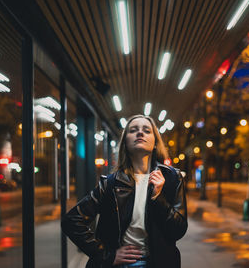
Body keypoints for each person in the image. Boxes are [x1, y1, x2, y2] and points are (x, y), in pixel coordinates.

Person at [62, 115, 187, 268]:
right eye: (133, 130)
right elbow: (72, 220)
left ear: (155, 143)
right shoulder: (110, 183)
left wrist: (158, 197)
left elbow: (178, 231)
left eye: (147, 131)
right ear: (125, 143)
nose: (140, 133)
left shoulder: (172, 178)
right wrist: (107, 255)